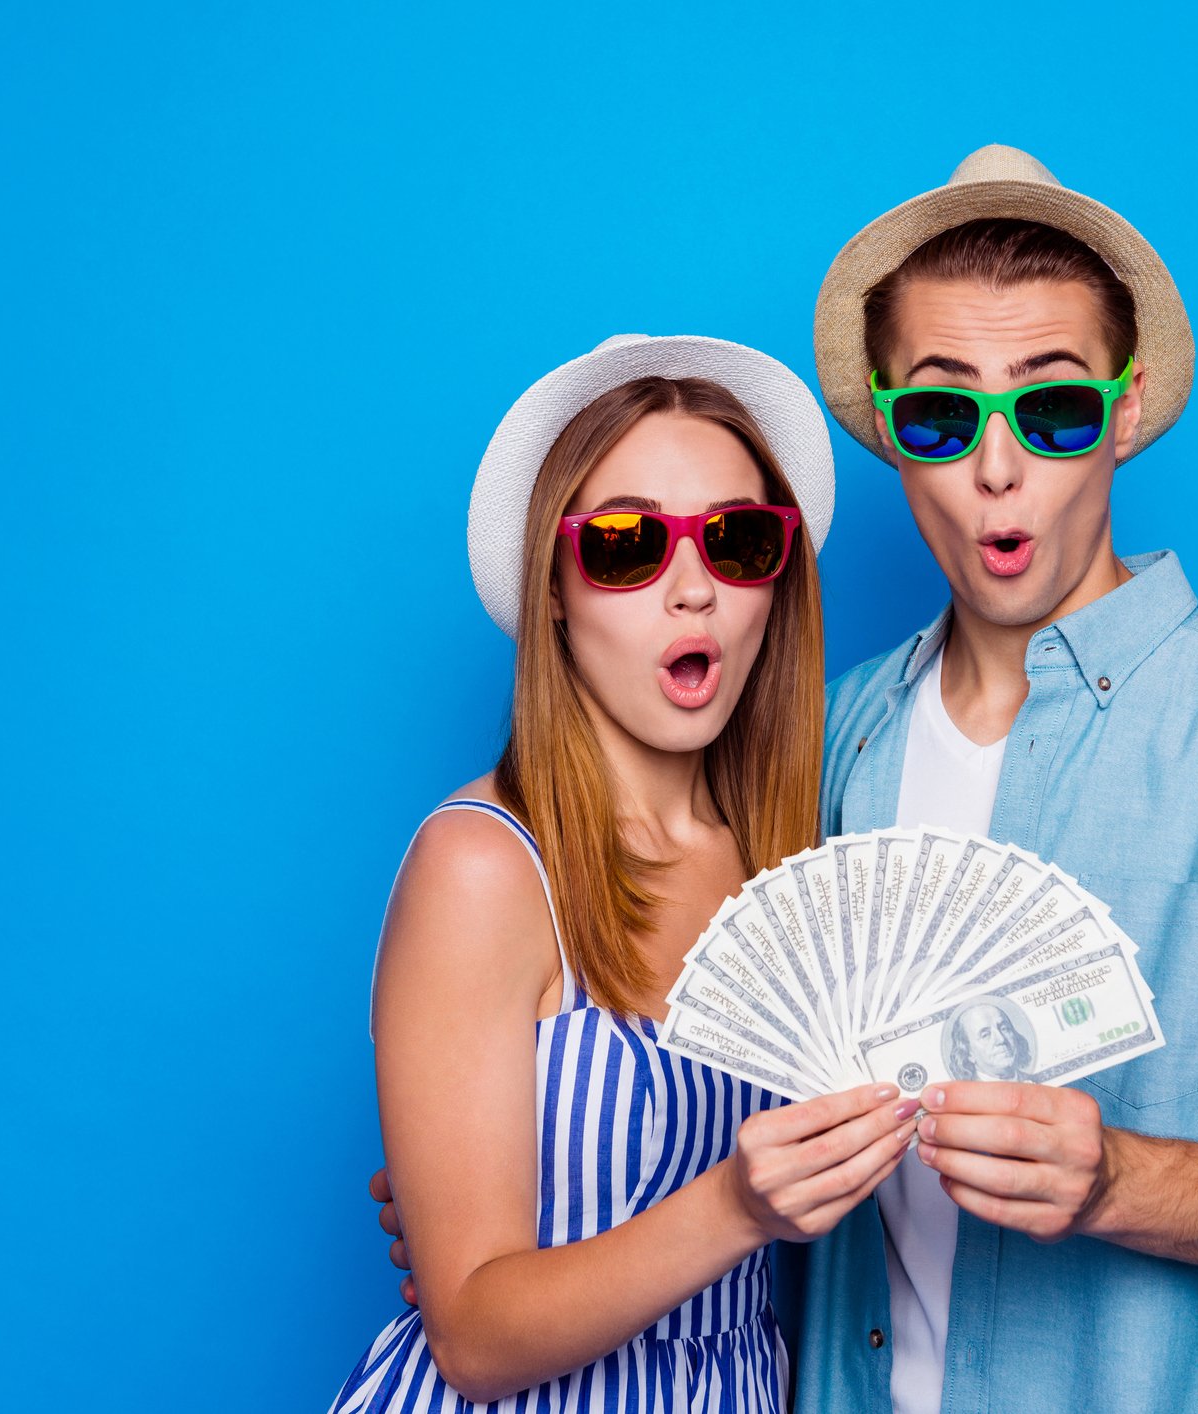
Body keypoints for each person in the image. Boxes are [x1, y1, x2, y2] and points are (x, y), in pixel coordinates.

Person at [772, 146, 1198, 1412]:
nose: (997, 468)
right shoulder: (833, 740)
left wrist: (1117, 1181)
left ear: (1126, 410)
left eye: (1052, 410)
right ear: (888, 432)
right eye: (941, 415)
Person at [332, 335, 919, 1414]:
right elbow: (472, 1337)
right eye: (625, 545)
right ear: (553, 587)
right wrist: (735, 1207)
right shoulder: (483, 867)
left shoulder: (787, 862)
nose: (692, 590)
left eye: (737, 540)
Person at [942, 1000, 1033, 1084]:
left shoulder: (1035, 1081)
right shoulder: (969, 1093)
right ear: (969, 1053)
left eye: (1004, 1028)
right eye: (985, 1035)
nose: (1001, 1039)